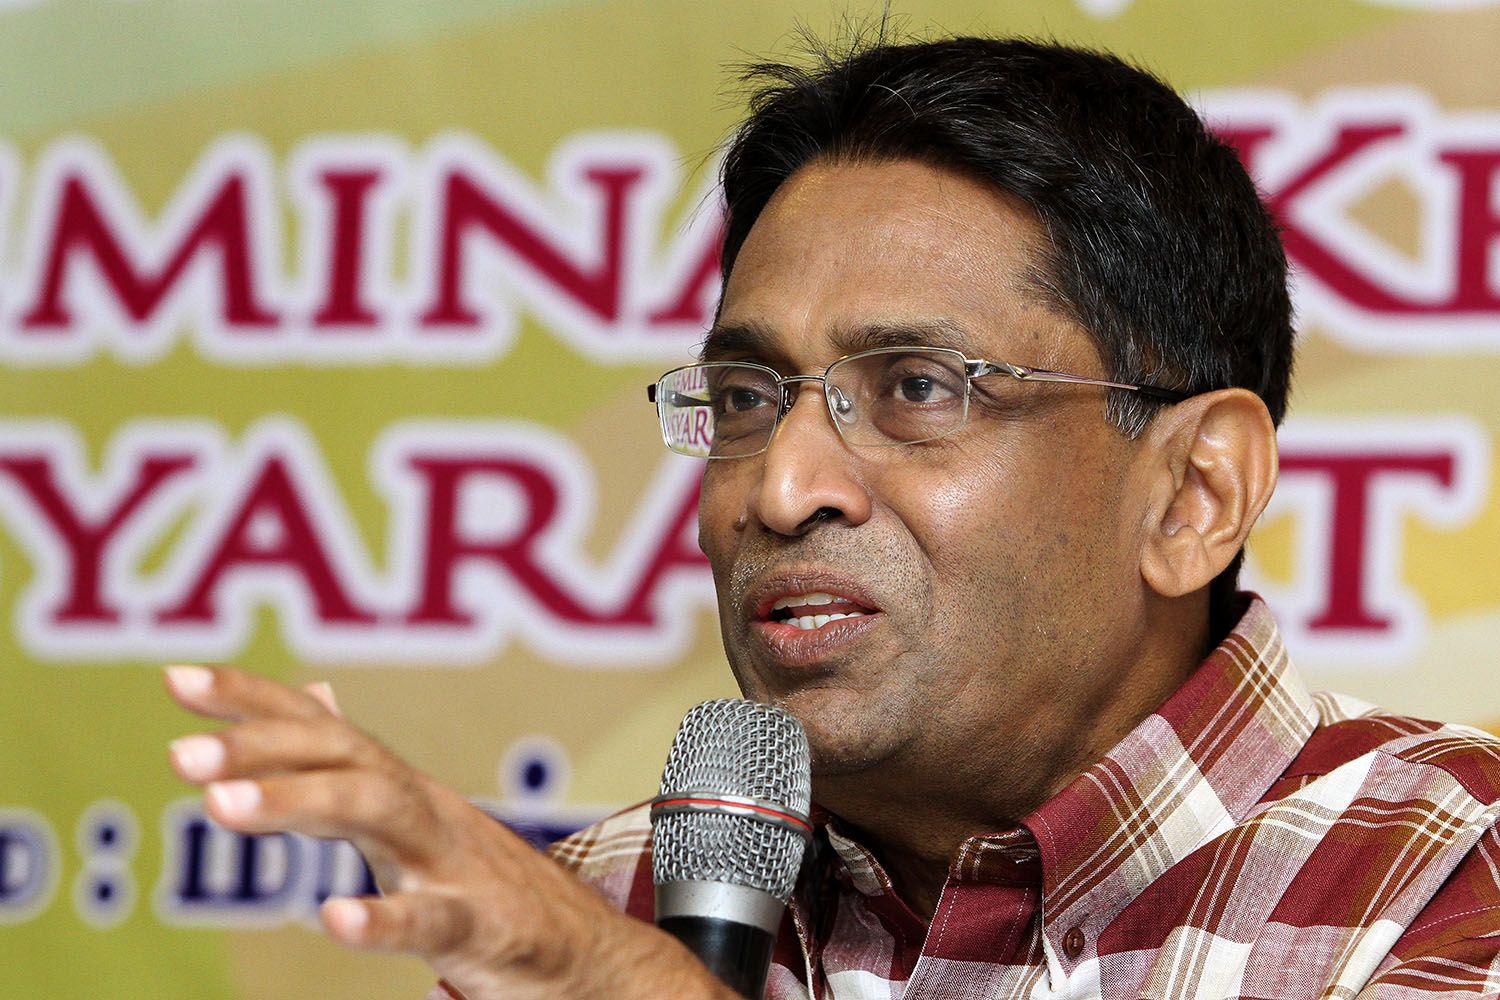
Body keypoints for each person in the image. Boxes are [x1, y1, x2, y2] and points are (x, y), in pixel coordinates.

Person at [164, 34, 1500, 1000]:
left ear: (1195, 491)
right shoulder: (607, 898)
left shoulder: (1437, 873)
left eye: (918, 388)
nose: (779, 486)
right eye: (746, 396)